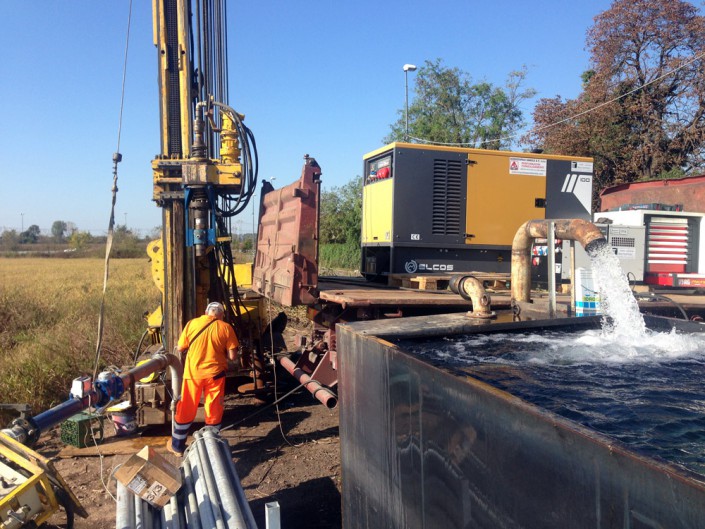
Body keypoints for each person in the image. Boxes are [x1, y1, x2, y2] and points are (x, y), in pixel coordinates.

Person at [167, 301, 238, 456]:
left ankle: (177, 446)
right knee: (213, 408)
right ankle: (211, 447)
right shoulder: (225, 327)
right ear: (221, 314)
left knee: (186, 407)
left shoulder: (192, 324)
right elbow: (233, 356)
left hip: (193, 375)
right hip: (215, 375)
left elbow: (180, 348)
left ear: (207, 312)